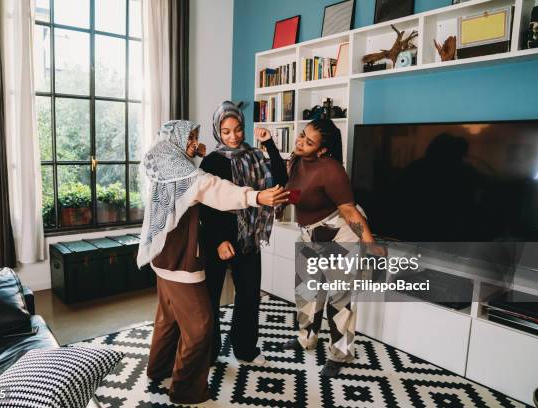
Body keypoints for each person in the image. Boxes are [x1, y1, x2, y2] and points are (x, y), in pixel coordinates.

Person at [137, 120, 288, 404]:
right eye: (191, 137)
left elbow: (197, 175)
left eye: (196, 136)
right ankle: (186, 391)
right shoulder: (188, 174)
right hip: (181, 261)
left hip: (162, 255)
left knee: (168, 317)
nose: (195, 141)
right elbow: (215, 189)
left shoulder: (159, 159)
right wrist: (256, 196)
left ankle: (159, 369)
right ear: (177, 141)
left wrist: (193, 152)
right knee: (200, 326)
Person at [283, 118, 382, 377]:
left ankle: (340, 353)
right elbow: (298, 193)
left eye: (309, 141)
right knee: (306, 291)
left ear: (323, 149)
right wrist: (280, 204)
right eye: (302, 135)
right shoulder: (296, 160)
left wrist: (371, 245)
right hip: (310, 234)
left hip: (340, 234)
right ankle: (306, 338)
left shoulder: (332, 170)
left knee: (338, 299)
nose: (300, 142)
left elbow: (349, 211)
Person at [200, 101, 288, 365]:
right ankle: (209, 351)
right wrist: (219, 240)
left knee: (249, 294)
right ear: (218, 131)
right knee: (211, 297)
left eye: (237, 129)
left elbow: (281, 178)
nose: (233, 136)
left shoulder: (253, 155)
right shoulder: (212, 161)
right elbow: (205, 205)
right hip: (220, 235)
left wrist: (270, 144)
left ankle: (245, 349)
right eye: (226, 131)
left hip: (249, 234)